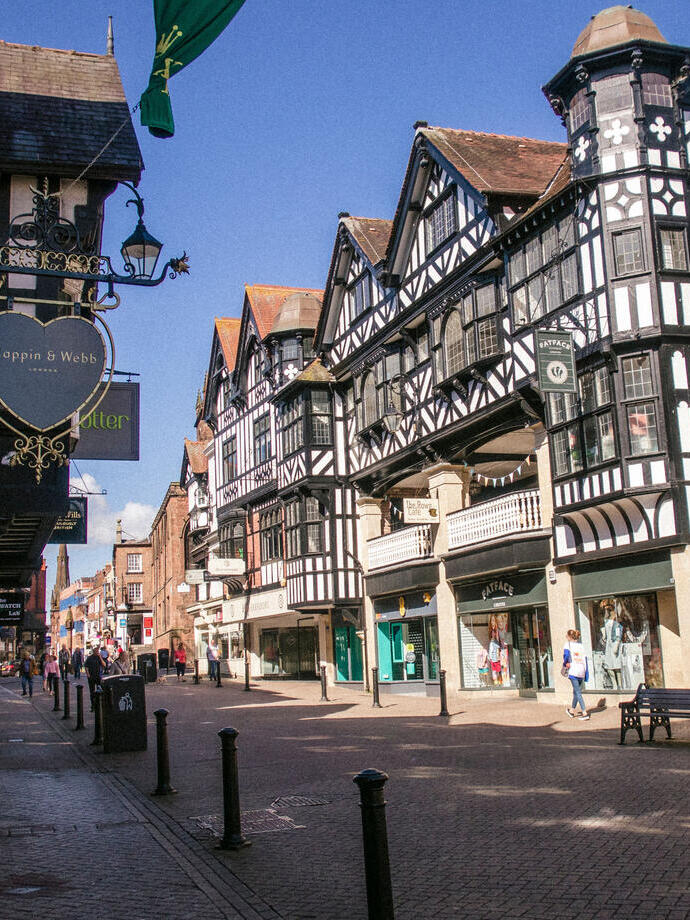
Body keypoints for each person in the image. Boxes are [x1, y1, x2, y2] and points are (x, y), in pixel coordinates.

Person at [563, 628, 589, 720]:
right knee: (576, 691)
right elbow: (585, 659)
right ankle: (572, 710)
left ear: (569, 637)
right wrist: (586, 673)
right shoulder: (581, 646)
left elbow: (566, 656)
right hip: (581, 670)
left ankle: (584, 712)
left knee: (577, 692)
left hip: (573, 670)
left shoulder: (568, 645)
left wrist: (564, 664)